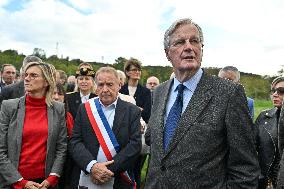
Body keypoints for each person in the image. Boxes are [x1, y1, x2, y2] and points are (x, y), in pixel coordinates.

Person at [144, 18, 259, 188]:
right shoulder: (159, 92)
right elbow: (157, 146)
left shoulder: (228, 93)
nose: (189, 47)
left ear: (201, 49)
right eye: (180, 42)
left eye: (194, 41)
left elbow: (245, 166)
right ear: (168, 53)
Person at [70, 66, 141, 189]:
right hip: (87, 176)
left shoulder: (132, 111)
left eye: (110, 84)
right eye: (101, 85)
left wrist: (107, 170)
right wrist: (92, 167)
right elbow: (75, 141)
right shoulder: (85, 109)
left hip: (118, 178)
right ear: (96, 87)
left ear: (119, 85)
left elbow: (135, 145)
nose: (105, 89)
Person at [0, 61, 67, 189]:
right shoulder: (9, 107)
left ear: (46, 82)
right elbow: (1, 150)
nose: (26, 78)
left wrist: (53, 177)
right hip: (14, 182)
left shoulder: (58, 109)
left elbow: (61, 147)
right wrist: (20, 182)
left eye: (33, 75)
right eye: (26, 75)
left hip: (46, 182)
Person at [119, 58, 151, 189]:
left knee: (137, 169)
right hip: (121, 134)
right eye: (134, 70)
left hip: (138, 135)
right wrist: (137, 109)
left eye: (139, 70)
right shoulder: (121, 89)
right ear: (127, 72)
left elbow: (147, 113)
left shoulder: (145, 92)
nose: (137, 72)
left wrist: (132, 109)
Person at [255, 76, 284, 189]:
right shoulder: (264, 116)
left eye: (281, 91)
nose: (275, 94)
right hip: (265, 180)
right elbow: (251, 148)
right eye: (273, 91)